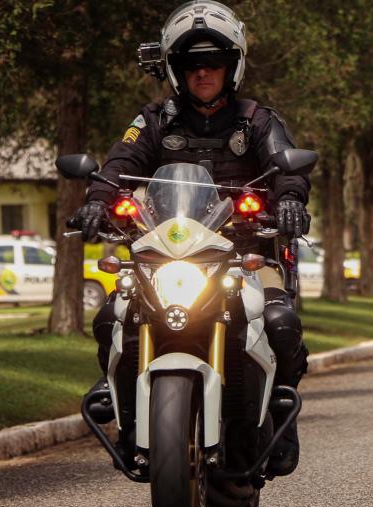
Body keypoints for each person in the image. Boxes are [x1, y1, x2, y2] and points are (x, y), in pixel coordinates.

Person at [73, 0, 309, 477]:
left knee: (280, 321)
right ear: (176, 71)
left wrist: (290, 200)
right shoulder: (154, 120)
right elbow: (119, 164)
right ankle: (120, 401)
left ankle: (281, 414)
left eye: (214, 63)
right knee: (109, 317)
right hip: (168, 253)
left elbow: (287, 166)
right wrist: (98, 199)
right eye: (191, 64)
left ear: (231, 67)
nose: (203, 73)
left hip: (245, 252)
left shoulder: (258, 120)